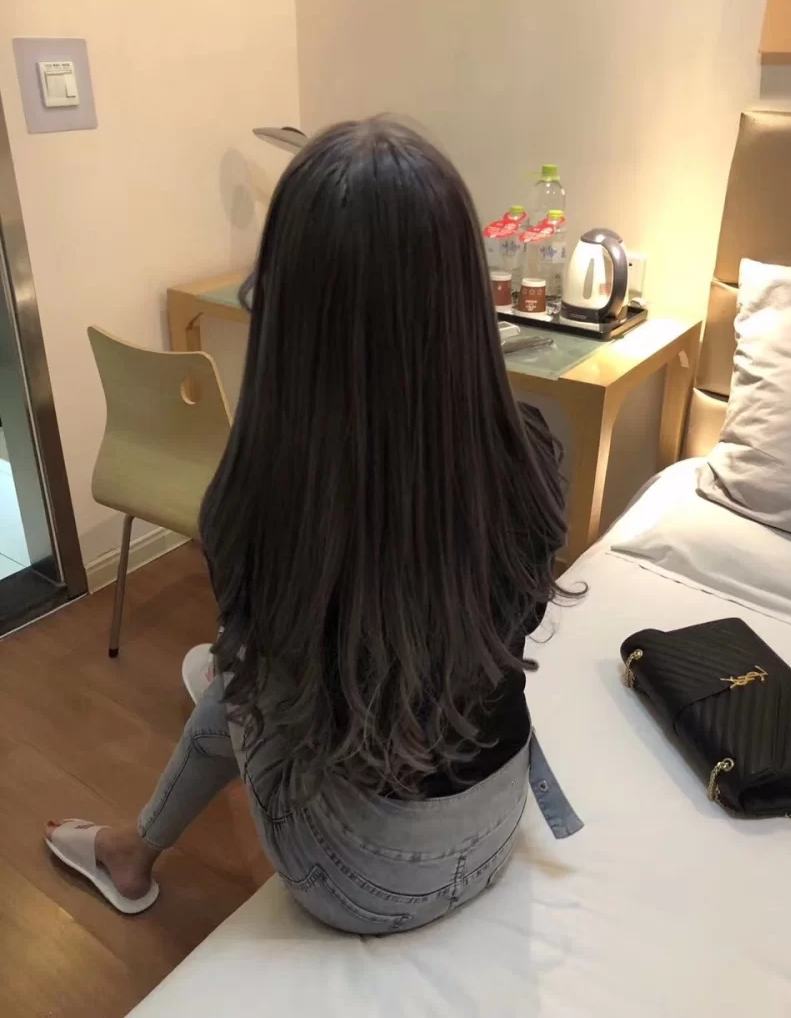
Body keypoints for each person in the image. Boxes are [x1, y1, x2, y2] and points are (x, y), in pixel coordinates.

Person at [44, 118, 582, 932]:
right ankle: (137, 832)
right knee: (244, 670)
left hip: (364, 877)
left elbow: (268, 666)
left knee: (238, 675)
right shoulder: (528, 449)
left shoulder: (262, 498)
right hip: (498, 817)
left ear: (288, 309)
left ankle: (131, 848)